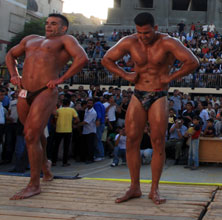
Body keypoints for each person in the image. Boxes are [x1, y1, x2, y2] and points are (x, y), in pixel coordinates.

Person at [101, 12, 199, 204]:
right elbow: (106, 59)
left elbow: (192, 61)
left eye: (146, 33)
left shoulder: (168, 42)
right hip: (138, 93)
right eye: (139, 33)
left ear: (155, 28)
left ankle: (154, 189)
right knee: (131, 141)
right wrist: (125, 75)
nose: (143, 37)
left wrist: (169, 78)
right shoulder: (130, 41)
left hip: (159, 94)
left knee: (157, 141)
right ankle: (134, 187)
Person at [5, 13, 88, 200]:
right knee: (35, 133)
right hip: (24, 90)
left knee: (31, 134)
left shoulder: (66, 39)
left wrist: (62, 79)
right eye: (47, 23)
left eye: (54, 24)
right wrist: (13, 74)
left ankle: (34, 184)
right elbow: (10, 54)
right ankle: (46, 169)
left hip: (45, 90)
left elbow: (82, 58)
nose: (48, 26)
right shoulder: (30, 39)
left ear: (63, 27)